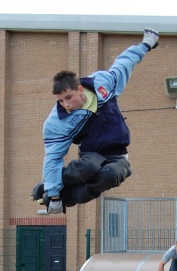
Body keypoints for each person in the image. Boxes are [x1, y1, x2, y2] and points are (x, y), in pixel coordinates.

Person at [31, 28, 160, 214]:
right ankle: (52, 186)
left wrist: (146, 44)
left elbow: (124, 64)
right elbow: (53, 157)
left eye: (69, 97)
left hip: (118, 154)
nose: (66, 105)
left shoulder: (102, 85)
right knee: (89, 167)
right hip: (90, 154)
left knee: (109, 175)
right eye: (60, 100)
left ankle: (66, 195)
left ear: (80, 89)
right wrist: (53, 195)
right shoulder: (57, 123)